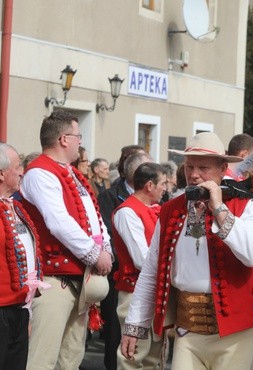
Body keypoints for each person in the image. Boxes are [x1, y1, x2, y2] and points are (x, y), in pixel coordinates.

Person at [120, 132, 253, 369]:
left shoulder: (244, 205)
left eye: (203, 167)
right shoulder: (170, 210)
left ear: (222, 169)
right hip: (187, 330)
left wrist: (219, 208)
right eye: (189, 167)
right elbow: (151, 271)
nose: (194, 174)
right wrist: (135, 325)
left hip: (235, 334)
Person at [21, 110, 113, 369]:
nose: (80, 142)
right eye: (78, 136)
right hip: (54, 280)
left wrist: (104, 247)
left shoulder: (72, 173)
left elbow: (94, 219)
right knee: (42, 359)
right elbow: (59, 222)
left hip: (78, 278)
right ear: (63, 139)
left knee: (70, 358)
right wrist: (96, 254)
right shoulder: (40, 172)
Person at [97, 149, 150, 370]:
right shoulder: (110, 197)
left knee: (145, 345)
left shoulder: (159, 197)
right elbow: (109, 235)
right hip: (120, 277)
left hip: (145, 280)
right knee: (116, 335)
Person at [113, 162, 167, 369]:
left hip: (153, 292)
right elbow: (142, 259)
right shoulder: (127, 212)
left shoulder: (152, 209)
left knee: (153, 357)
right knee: (133, 356)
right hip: (134, 294)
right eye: (163, 183)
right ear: (150, 185)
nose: (165, 188)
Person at [0, 143, 47, 370]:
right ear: (1, 173)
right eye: (18, 167)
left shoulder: (16, 207)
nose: (22, 172)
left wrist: (27, 311)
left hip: (18, 310)